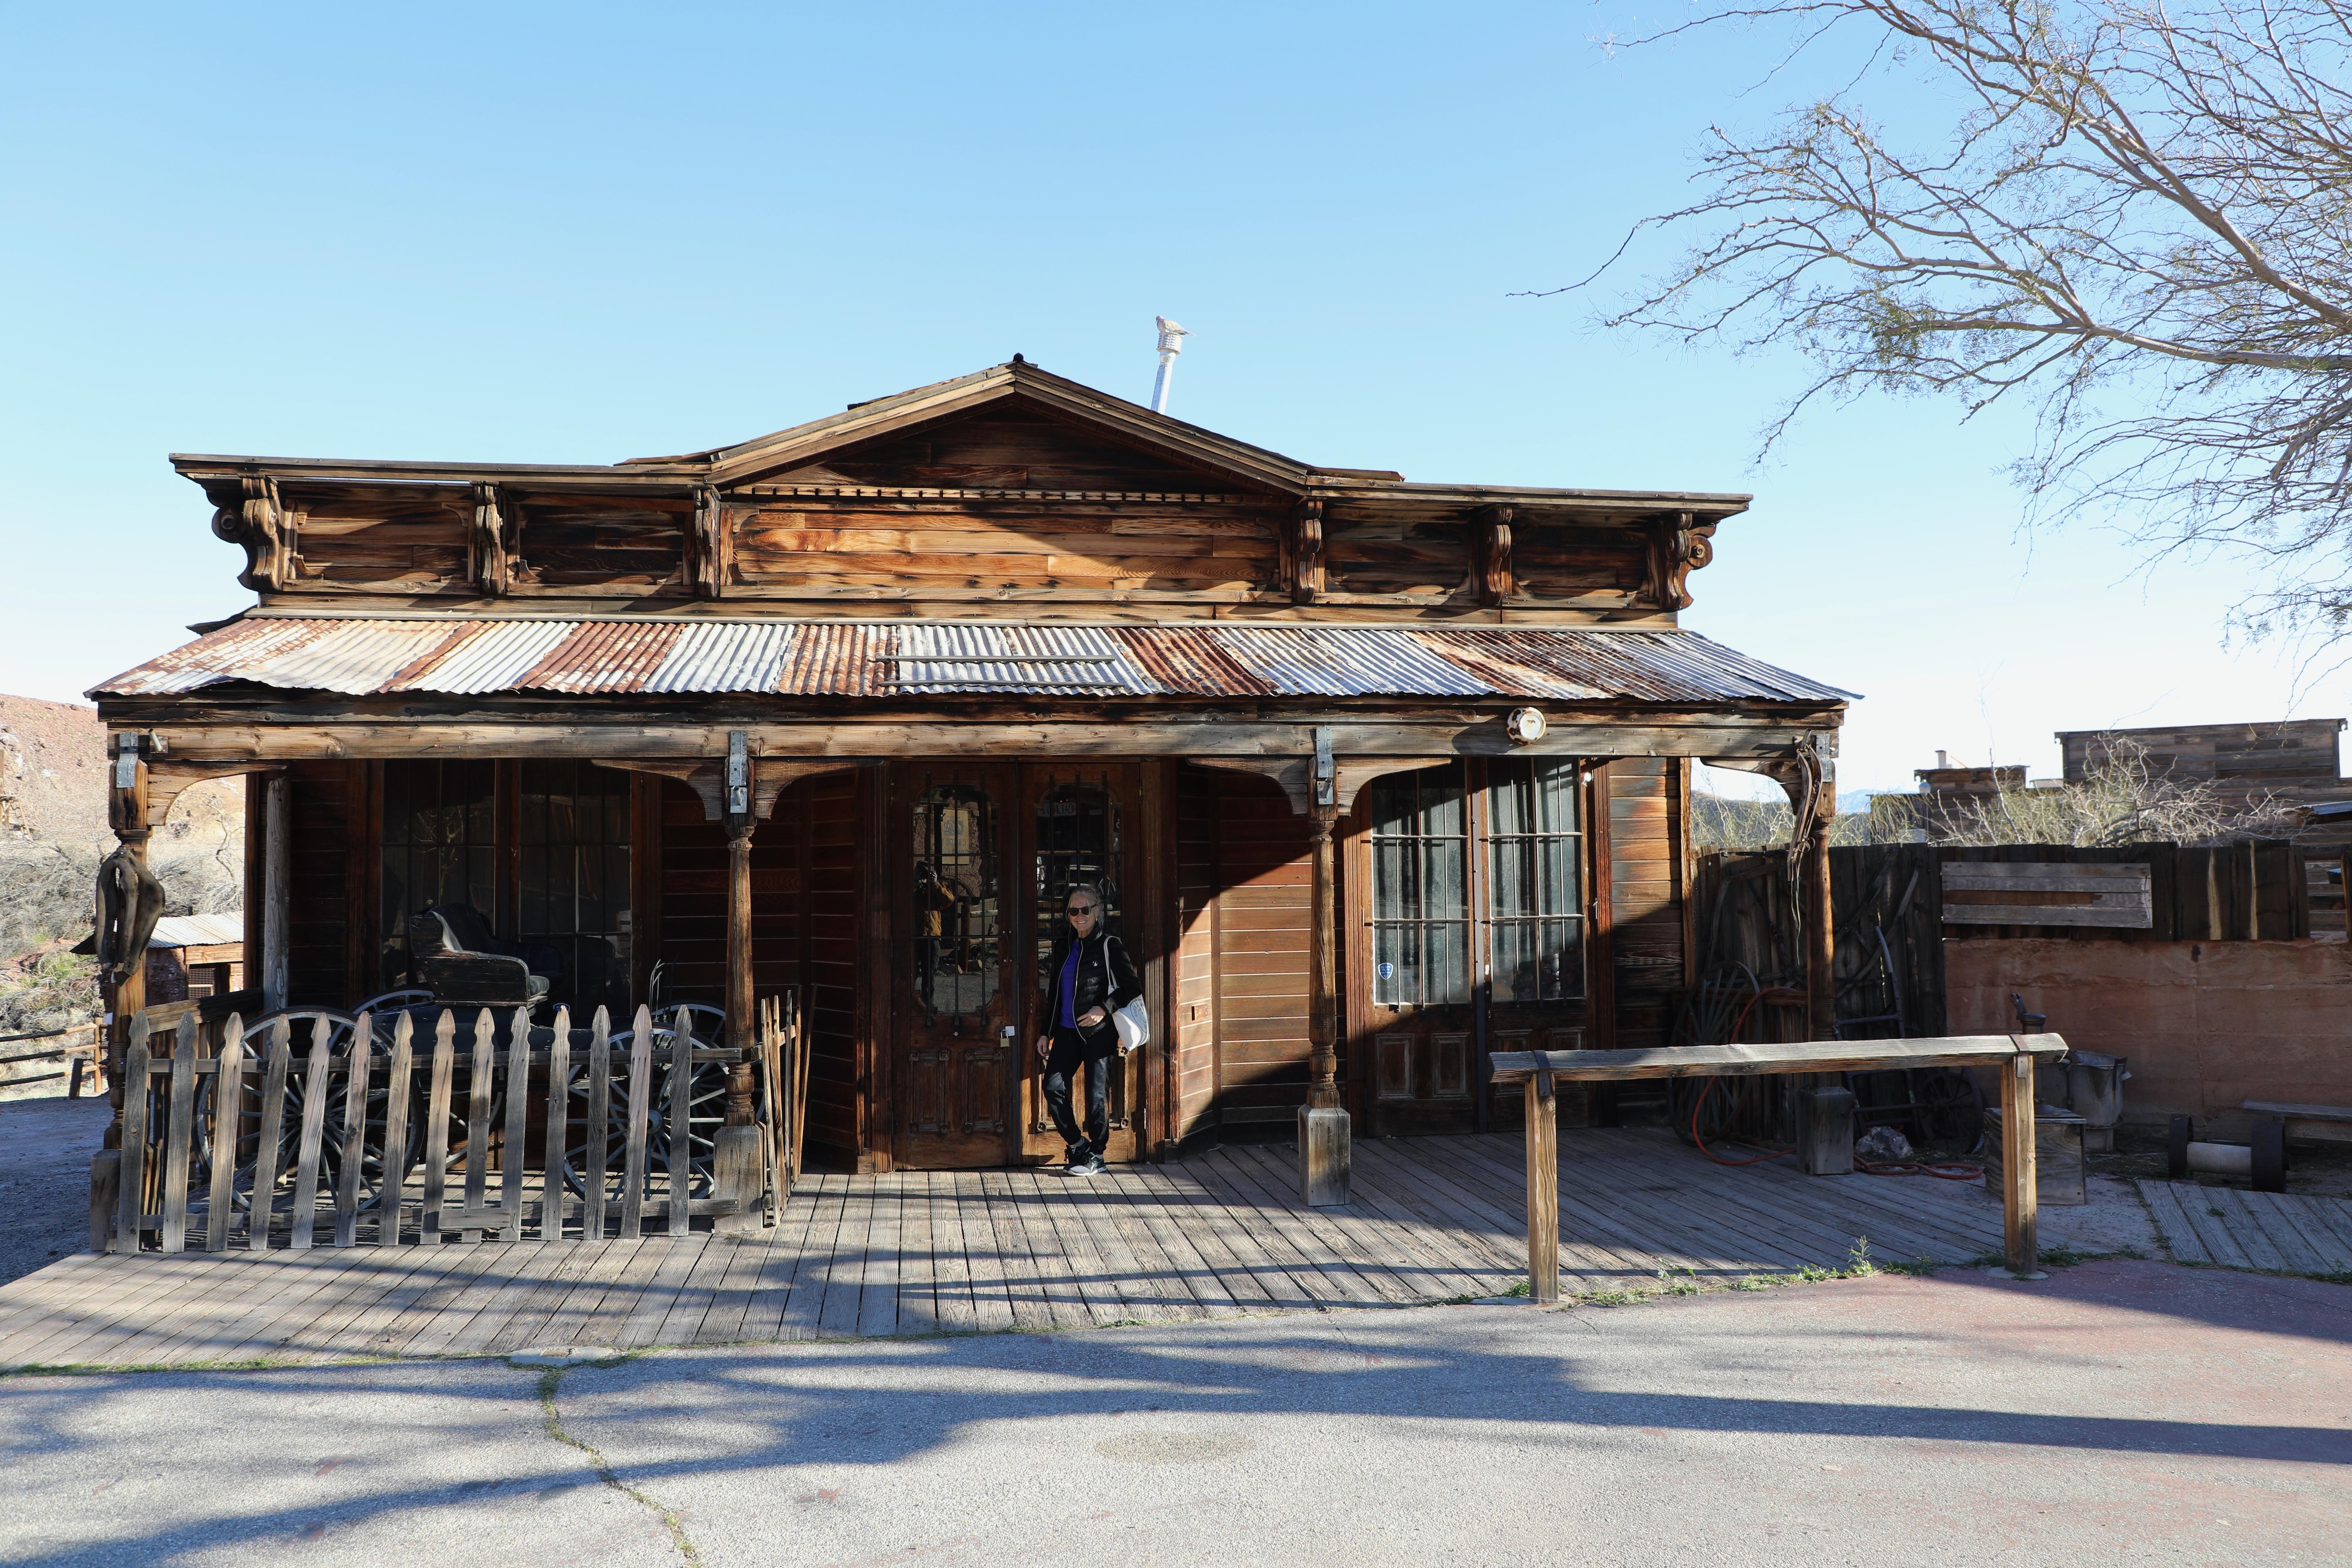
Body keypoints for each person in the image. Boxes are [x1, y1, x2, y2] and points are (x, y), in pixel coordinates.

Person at [1034, 882, 1141, 1177]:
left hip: (1098, 1033)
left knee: (1096, 1097)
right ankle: (1078, 1144)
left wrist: (1103, 1008)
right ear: (1068, 914)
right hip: (1067, 1033)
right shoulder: (1064, 947)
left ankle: (1097, 1154)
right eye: (1073, 911)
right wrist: (1046, 1032)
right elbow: (1056, 993)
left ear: (1096, 912)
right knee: (1053, 1087)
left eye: (1085, 910)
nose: (1079, 915)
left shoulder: (1110, 945)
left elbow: (1132, 987)